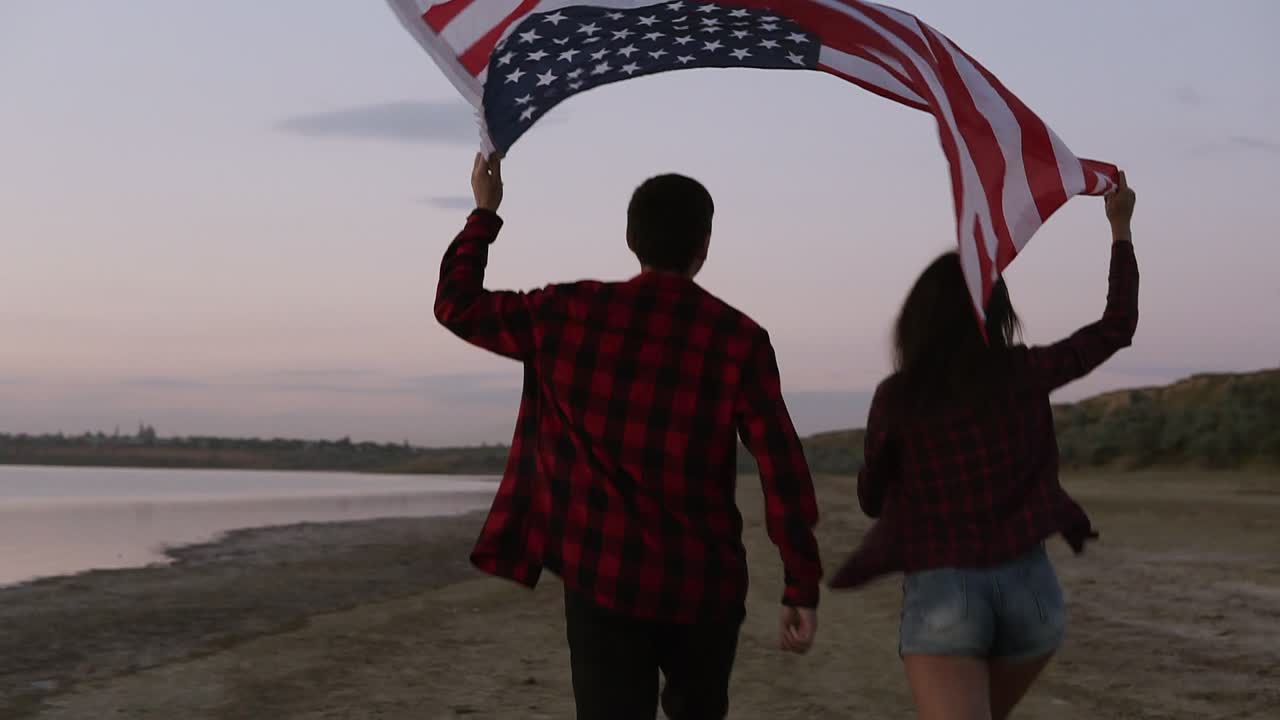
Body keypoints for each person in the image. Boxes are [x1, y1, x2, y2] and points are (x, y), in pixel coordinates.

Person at [434, 154, 823, 720]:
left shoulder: (566, 313)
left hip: (604, 577)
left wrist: (484, 213)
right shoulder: (738, 338)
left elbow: (456, 304)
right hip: (704, 587)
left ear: (630, 237)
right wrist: (800, 585)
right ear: (704, 245)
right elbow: (780, 469)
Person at [830, 173, 1139, 719]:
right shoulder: (1023, 371)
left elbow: (872, 499)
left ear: (917, 321)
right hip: (1034, 596)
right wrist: (1120, 229)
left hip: (946, 593)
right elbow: (1117, 326)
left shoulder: (899, 397)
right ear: (997, 313)